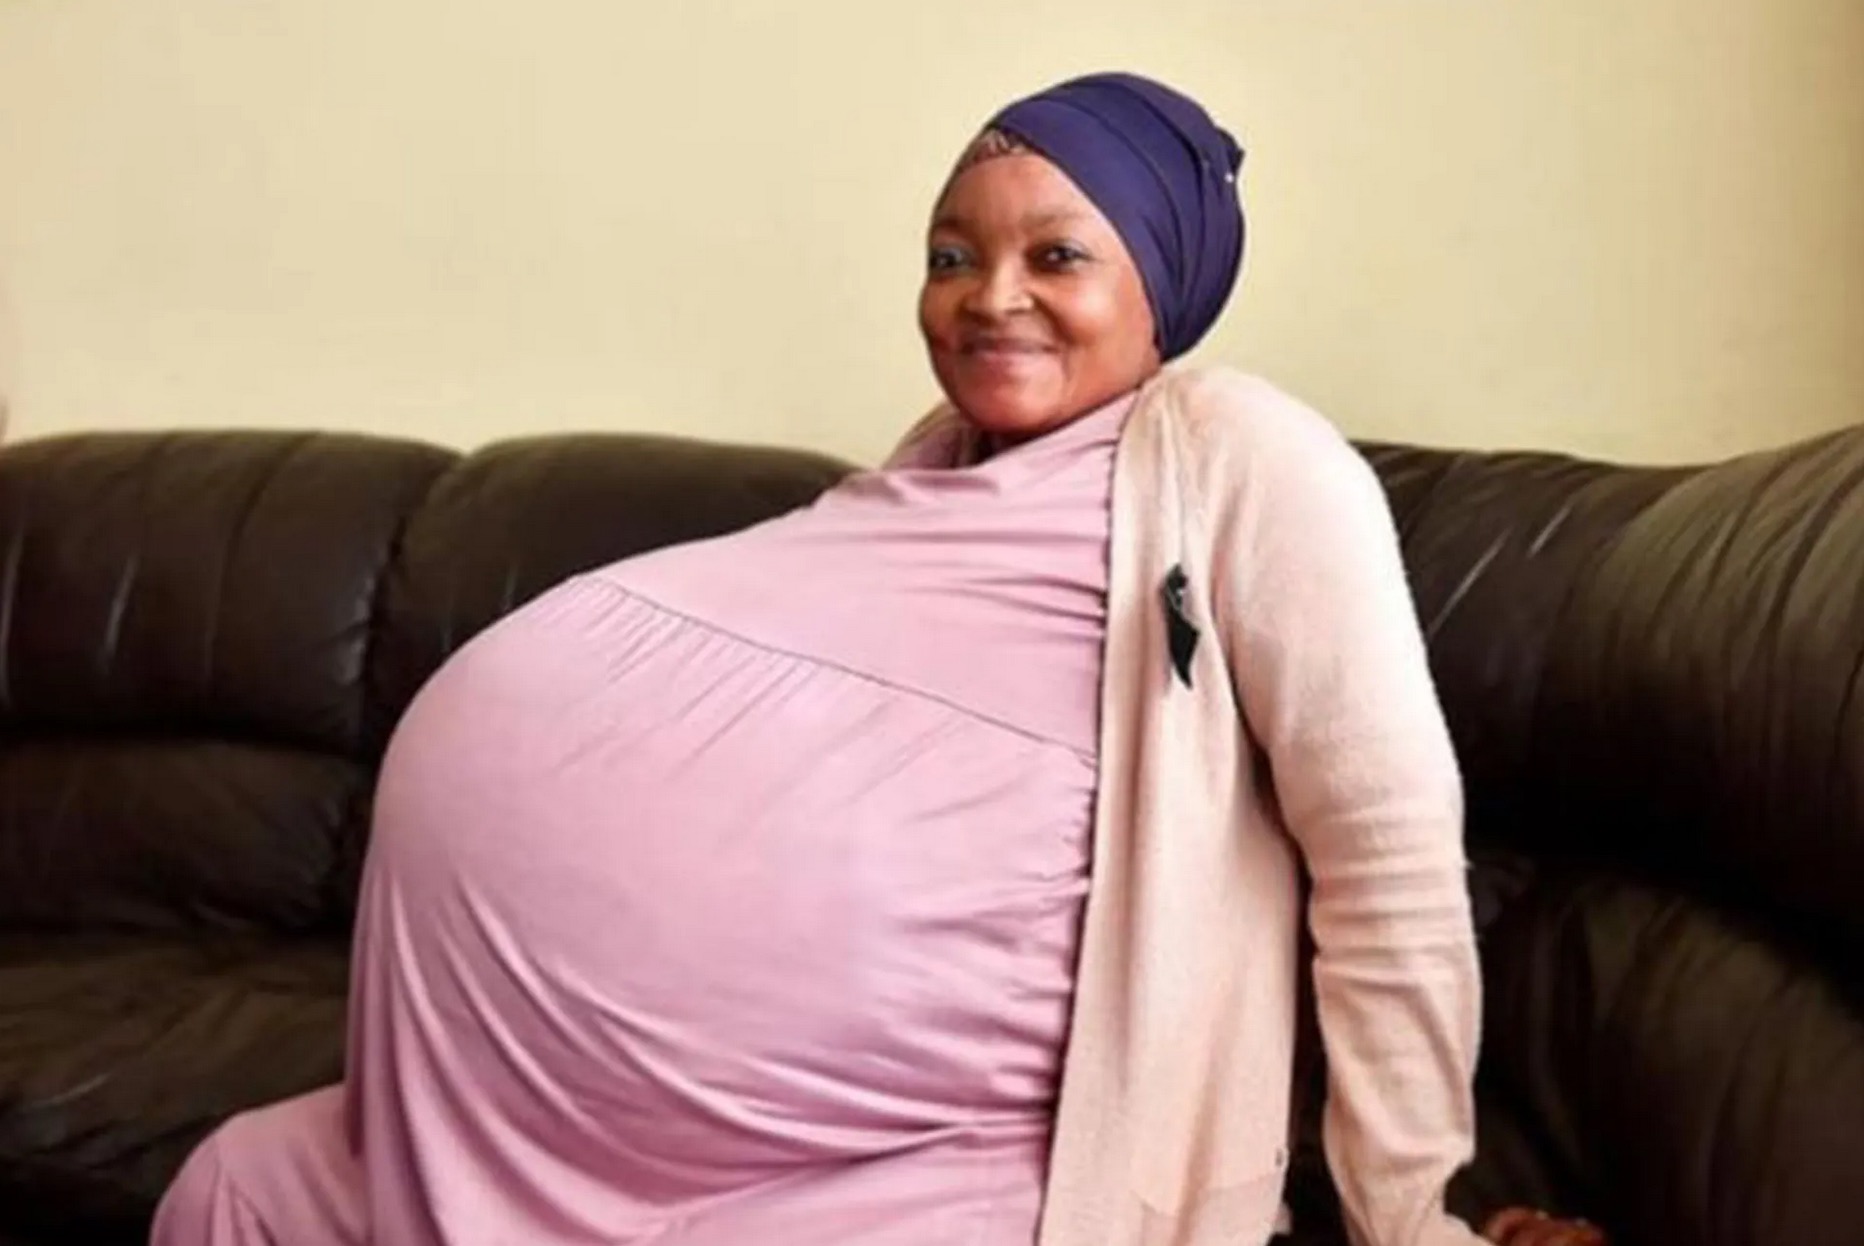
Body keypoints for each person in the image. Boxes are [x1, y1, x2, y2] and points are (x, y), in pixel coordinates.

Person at [151, 72, 1603, 1246]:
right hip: (561, 1114)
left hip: (943, 1154)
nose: (989, 296)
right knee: (238, 1184)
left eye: (1056, 255)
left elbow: (1389, 858)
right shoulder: (926, 470)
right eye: (951, 257)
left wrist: (1406, 1215)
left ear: (1163, 280)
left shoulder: (1242, 457)